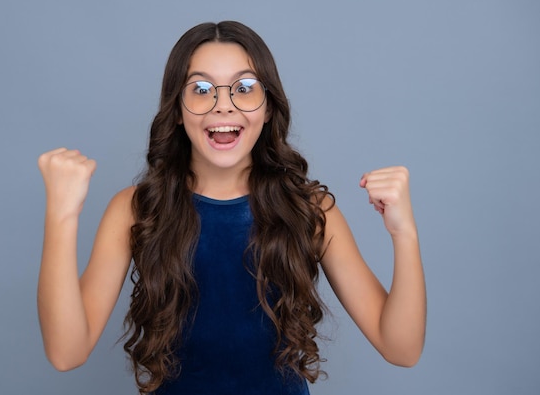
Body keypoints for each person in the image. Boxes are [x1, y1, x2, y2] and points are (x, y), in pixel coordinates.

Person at [37, 21, 426, 395]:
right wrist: (61, 214)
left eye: (244, 88)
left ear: (269, 106)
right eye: (202, 89)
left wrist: (403, 232)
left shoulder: (310, 211)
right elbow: (67, 353)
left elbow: (402, 350)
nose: (223, 106)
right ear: (176, 109)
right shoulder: (136, 210)